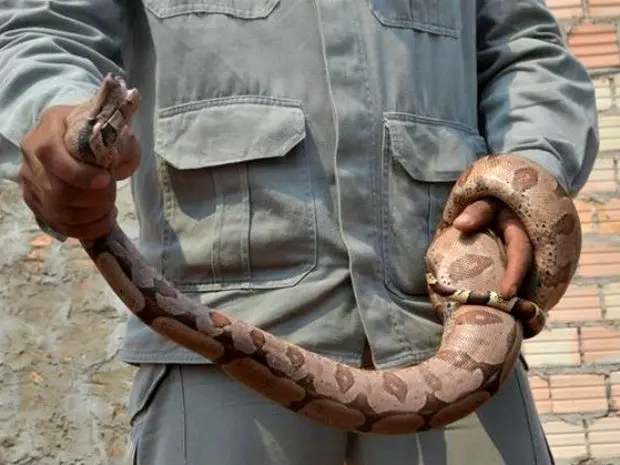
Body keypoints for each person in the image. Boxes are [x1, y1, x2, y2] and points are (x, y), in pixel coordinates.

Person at [0, 1, 598, 464]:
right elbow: (40, 34)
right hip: (218, 342)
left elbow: (525, 51)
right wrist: (55, 115)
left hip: (455, 342)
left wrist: (531, 166)